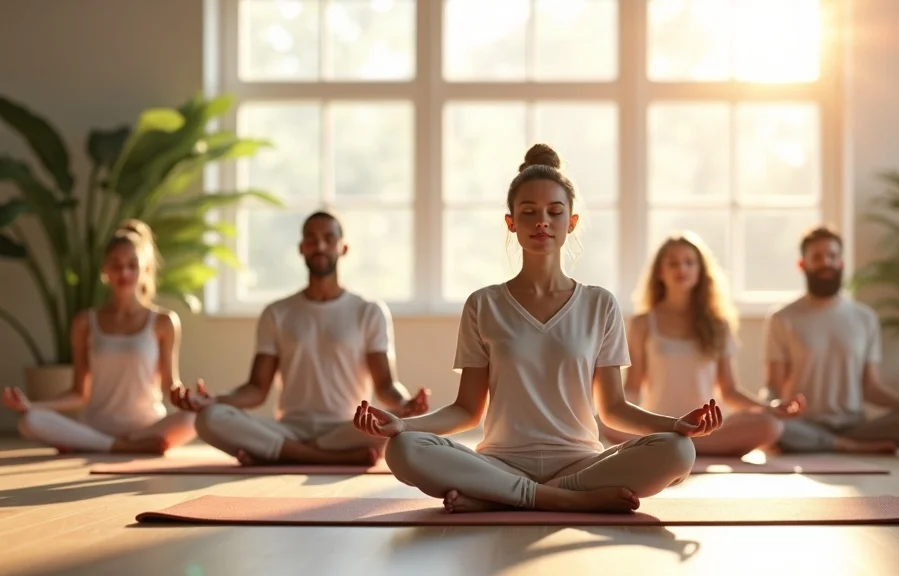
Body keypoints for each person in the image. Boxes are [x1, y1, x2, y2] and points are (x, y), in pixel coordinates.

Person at [352, 144, 723, 515]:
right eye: (528, 212)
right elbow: (467, 409)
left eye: (554, 212)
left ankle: (502, 496)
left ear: (571, 222)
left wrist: (676, 424)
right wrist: (402, 423)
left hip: (581, 465)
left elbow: (612, 409)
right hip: (500, 462)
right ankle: (564, 500)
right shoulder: (484, 304)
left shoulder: (599, 304)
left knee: (678, 450)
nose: (542, 222)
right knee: (402, 448)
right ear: (511, 223)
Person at [170, 210, 429, 466]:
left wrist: (406, 405)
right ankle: (327, 458)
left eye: (328, 238)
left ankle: (278, 455)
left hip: (349, 429)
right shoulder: (277, 312)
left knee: (397, 426)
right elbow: (256, 390)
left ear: (343, 248)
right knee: (208, 418)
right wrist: (213, 400)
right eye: (311, 239)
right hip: (290, 429)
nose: (320, 245)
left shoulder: (369, 311)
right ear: (301, 248)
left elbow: (386, 385)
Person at [600, 233, 805, 456]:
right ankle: (680, 445)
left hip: (709, 429)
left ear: (700, 271)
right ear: (660, 272)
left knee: (771, 425)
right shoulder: (642, 323)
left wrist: (769, 408)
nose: (682, 269)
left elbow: (729, 390)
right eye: (673, 263)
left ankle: (681, 447)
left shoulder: (718, 325)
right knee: (601, 420)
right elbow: (633, 388)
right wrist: (613, 413)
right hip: (659, 426)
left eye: (689, 262)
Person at [2, 220, 196, 454]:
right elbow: (79, 392)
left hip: (147, 427)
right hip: (96, 427)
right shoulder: (85, 322)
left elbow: (169, 386)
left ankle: (113, 444)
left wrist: (190, 400)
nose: (124, 272)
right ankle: (119, 446)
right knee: (29, 421)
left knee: (195, 419)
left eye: (131, 265)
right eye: (116, 265)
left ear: (145, 269)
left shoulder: (164, 322)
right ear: (105, 270)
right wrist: (31, 405)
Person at [764, 225, 899, 454]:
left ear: (841, 263)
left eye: (832, 256)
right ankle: (847, 447)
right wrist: (771, 409)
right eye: (817, 257)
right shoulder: (782, 318)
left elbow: (871, 388)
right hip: (804, 424)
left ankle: (835, 443)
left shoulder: (865, 318)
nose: (826, 263)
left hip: (855, 426)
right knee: (766, 424)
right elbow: (774, 386)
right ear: (802, 265)